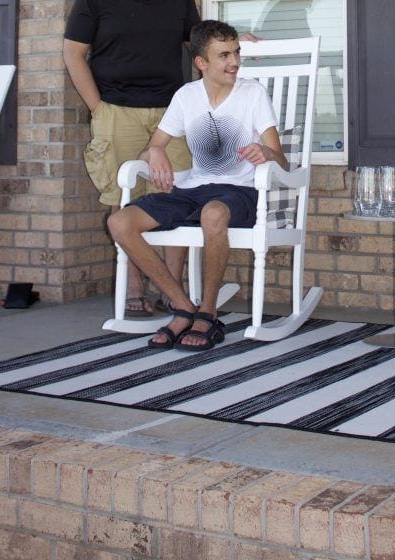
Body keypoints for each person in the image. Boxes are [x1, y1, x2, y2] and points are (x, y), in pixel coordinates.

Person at [106, 19, 288, 351]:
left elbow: (282, 161)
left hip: (239, 193)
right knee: (120, 222)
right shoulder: (186, 96)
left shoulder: (253, 94)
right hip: (193, 188)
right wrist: (156, 150)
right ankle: (182, 306)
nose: (234, 62)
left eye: (235, 53)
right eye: (223, 55)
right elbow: (154, 145)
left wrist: (265, 151)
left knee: (213, 213)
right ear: (201, 63)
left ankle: (207, 312)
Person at [63, 0, 200, 315]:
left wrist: (238, 40)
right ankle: (134, 290)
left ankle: (172, 292)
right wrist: (98, 108)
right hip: (116, 109)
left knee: (179, 197)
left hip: (170, 113)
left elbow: (198, 42)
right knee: (123, 199)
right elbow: (74, 53)